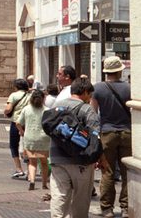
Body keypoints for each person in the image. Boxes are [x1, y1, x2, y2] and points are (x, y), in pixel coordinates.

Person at [50, 77, 107, 218]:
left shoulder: (56, 106)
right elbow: (95, 137)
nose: (90, 98)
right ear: (85, 92)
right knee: (81, 198)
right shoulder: (87, 109)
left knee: (59, 194)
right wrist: (101, 158)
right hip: (81, 161)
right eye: (90, 95)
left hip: (57, 158)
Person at [91, 56, 131, 218]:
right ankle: (126, 207)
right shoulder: (129, 88)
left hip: (107, 132)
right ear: (120, 71)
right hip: (127, 133)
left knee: (107, 171)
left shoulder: (98, 88)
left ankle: (107, 208)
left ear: (106, 71)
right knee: (126, 171)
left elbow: (93, 113)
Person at [16, 89, 50, 190]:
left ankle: (32, 180)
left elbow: (18, 123)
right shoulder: (47, 110)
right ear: (43, 98)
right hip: (43, 138)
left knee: (32, 162)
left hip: (30, 137)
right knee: (44, 163)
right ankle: (44, 184)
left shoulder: (27, 109)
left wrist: (21, 131)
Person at [4, 78, 31, 178]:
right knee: (28, 145)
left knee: (13, 145)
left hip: (16, 122)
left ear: (16, 86)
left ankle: (19, 169)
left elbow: (8, 109)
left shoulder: (14, 95)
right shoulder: (30, 95)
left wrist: (5, 112)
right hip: (28, 122)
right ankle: (30, 170)